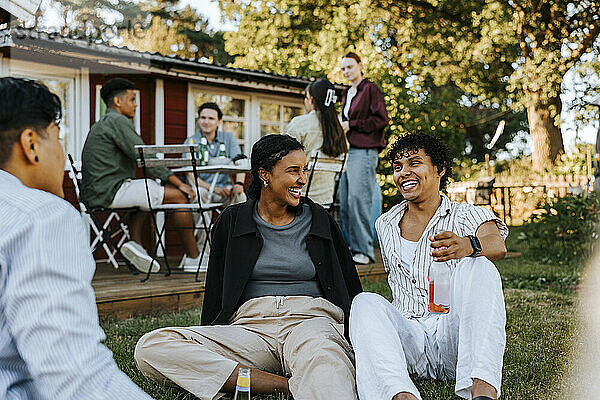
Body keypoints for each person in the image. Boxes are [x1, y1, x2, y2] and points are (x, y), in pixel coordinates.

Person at [134, 134, 363, 400]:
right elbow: (217, 287)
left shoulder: (319, 219)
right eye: (293, 171)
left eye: (304, 170)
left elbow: (348, 281)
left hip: (310, 322)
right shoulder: (232, 221)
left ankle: (255, 378)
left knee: (327, 363)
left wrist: (356, 336)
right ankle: (282, 384)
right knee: (152, 347)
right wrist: (213, 334)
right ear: (264, 175)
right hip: (250, 329)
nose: (303, 179)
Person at [0, 77, 153, 399]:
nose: (62, 153)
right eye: (58, 138)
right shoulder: (41, 217)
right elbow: (76, 376)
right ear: (31, 145)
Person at [349, 133, 509, 400]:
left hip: (454, 337)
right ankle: (400, 394)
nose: (404, 173)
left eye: (415, 163)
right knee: (365, 302)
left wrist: (468, 245)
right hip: (409, 339)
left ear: (439, 169)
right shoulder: (385, 224)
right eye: (398, 167)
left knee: (480, 267)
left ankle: (482, 389)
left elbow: (496, 244)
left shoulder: (466, 214)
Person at [81, 78, 201, 272]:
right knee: (178, 197)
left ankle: (135, 245)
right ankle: (194, 258)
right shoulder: (117, 121)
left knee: (144, 192)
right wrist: (179, 184)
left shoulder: (105, 122)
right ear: (118, 102)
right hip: (109, 192)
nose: (136, 104)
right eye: (132, 99)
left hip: (98, 191)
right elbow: (146, 158)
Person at [339, 51, 390, 265]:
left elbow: (382, 119)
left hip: (365, 151)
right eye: (343, 68)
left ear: (360, 65)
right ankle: (353, 248)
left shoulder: (370, 89)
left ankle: (365, 251)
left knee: (359, 201)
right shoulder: (345, 93)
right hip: (348, 153)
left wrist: (352, 125)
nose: (346, 71)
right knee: (346, 202)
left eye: (350, 66)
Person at [285, 78, 348, 205]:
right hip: (326, 203)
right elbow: (344, 166)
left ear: (312, 99)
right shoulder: (341, 128)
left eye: (306, 97)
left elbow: (285, 161)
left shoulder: (299, 124)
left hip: (299, 201)